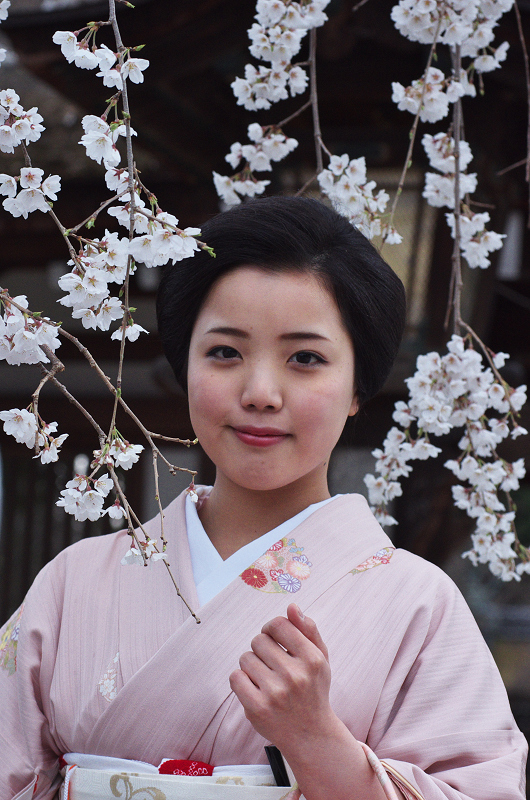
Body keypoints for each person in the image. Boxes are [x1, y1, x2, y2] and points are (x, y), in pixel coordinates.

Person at [0, 196, 526, 800]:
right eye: (225, 352)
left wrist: (319, 741)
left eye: (305, 358)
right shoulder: (75, 581)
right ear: (185, 363)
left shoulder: (418, 605)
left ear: (358, 387)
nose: (260, 392)